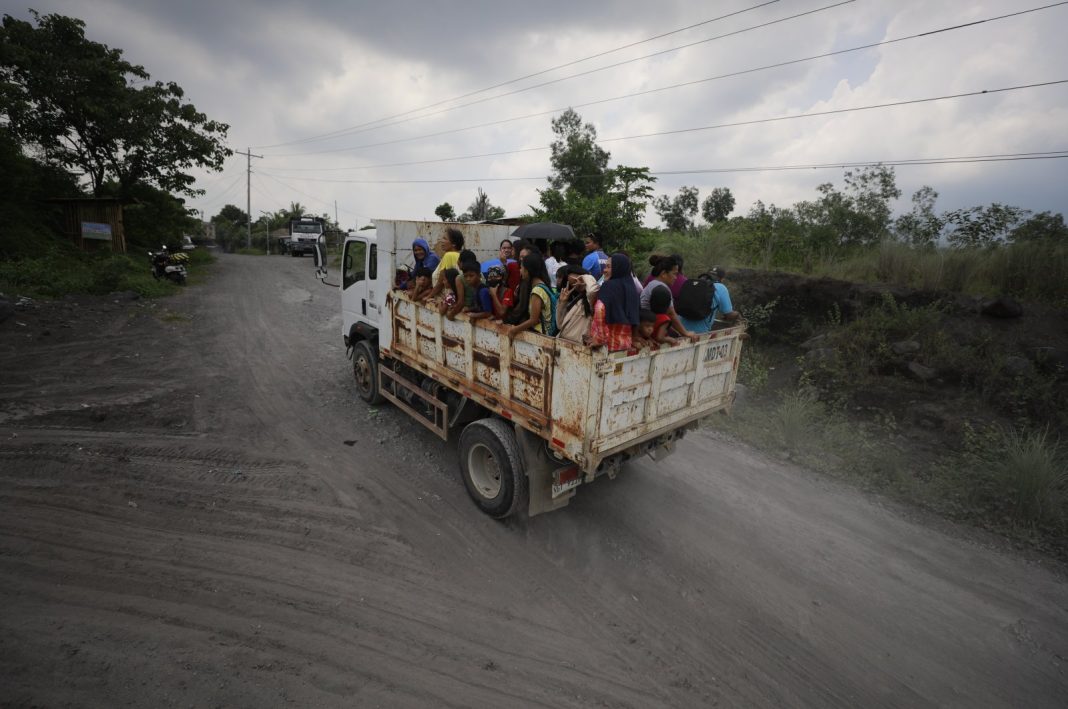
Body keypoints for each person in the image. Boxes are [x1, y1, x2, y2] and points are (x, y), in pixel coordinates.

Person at [588, 253, 638, 352]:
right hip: (624, 346)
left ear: (617, 268)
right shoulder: (631, 288)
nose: (604, 270)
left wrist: (599, 339)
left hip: (606, 347)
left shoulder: (608, 286)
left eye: (608, 267)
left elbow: (599, 309)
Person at [640, 255, 698, 340]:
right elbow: (671, 314)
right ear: (663, 274)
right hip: (649, 331)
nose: (675, 278)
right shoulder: (662, 288)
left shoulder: (652, 284)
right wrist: (685, 333)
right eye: (674, 274)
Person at [678, 266, 741, 333]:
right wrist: (738, 314)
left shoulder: (694, 284)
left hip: (679, 328)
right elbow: (729, 315)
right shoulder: (721, 287)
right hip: (699, 333)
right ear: (722, 279)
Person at [504, 253, 554, 338]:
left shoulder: (537, 291)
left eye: (521, 268)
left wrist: (514, 330)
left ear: (528, 270)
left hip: (541, 335)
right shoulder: (543, 285)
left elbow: (533, 320)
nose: (520, 271)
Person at [556, 266, 598, 344]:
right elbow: (559, 325)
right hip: (564, 345)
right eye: (572, 284)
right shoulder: (575, 300)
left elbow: (592, 290)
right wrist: (562, 303)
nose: (576, 285)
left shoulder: (592, 301)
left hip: (579, 347)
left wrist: (584, 277)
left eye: (577, 281)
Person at [428, 227, 465, 300]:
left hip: (446, 300)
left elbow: (441, 282)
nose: (441, 241)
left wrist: (428, 297)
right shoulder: (460, 255)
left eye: (445, 239)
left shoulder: (449, 255)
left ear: (454, 244)